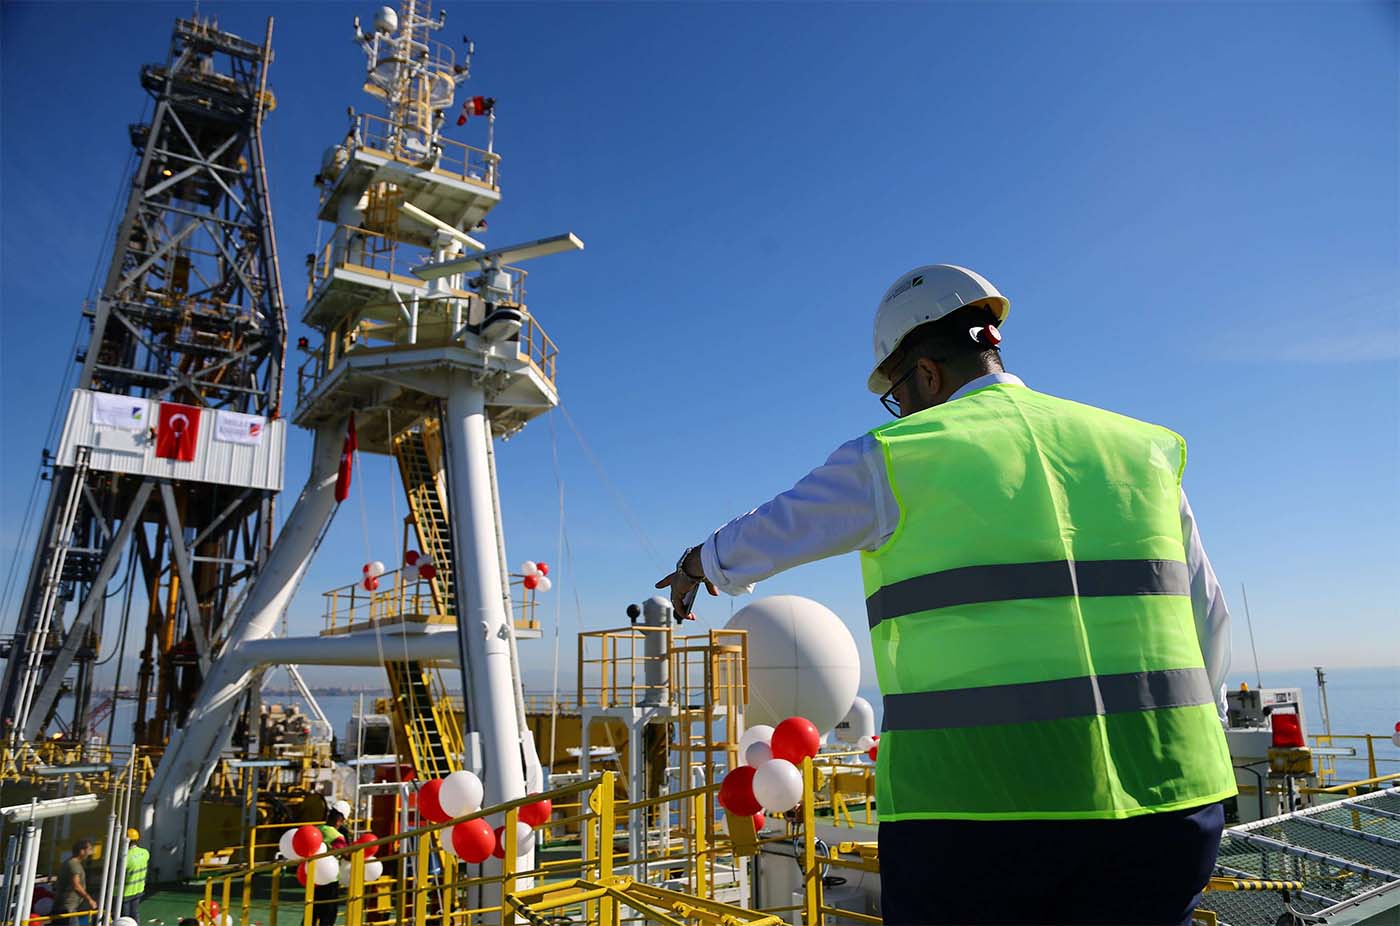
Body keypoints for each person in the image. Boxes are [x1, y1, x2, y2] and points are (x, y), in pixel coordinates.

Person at [656, 265, 1237, 926]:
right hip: (1171, 805)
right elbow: (1208, 619)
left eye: (897, 394)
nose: (898, 410)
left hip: (981, 814)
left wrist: (697, 564)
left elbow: (779, 526)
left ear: (926, 374)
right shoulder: (1143, 450)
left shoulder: (900, 453)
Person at [311, 809, 350, 926]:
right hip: (330, 879)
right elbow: (346, 855)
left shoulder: (317, 829)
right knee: (329, 914)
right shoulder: (336, 836)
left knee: (312, 912)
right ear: (339, 820)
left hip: (314, 877)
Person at [54, 841, 95, 926]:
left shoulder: (67, 863)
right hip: (69, 907)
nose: (91, 852)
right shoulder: (74, 865)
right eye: (89, 849)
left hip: (62, 904)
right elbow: (76, 885)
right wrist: (89, 899)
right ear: (82, 851)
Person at [121, 828, 149, 922]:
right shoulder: (145, 853)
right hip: (139, 889)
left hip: (126, 891)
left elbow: (118, 873)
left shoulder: (125, 856)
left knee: (125, 918)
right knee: (135, 913)